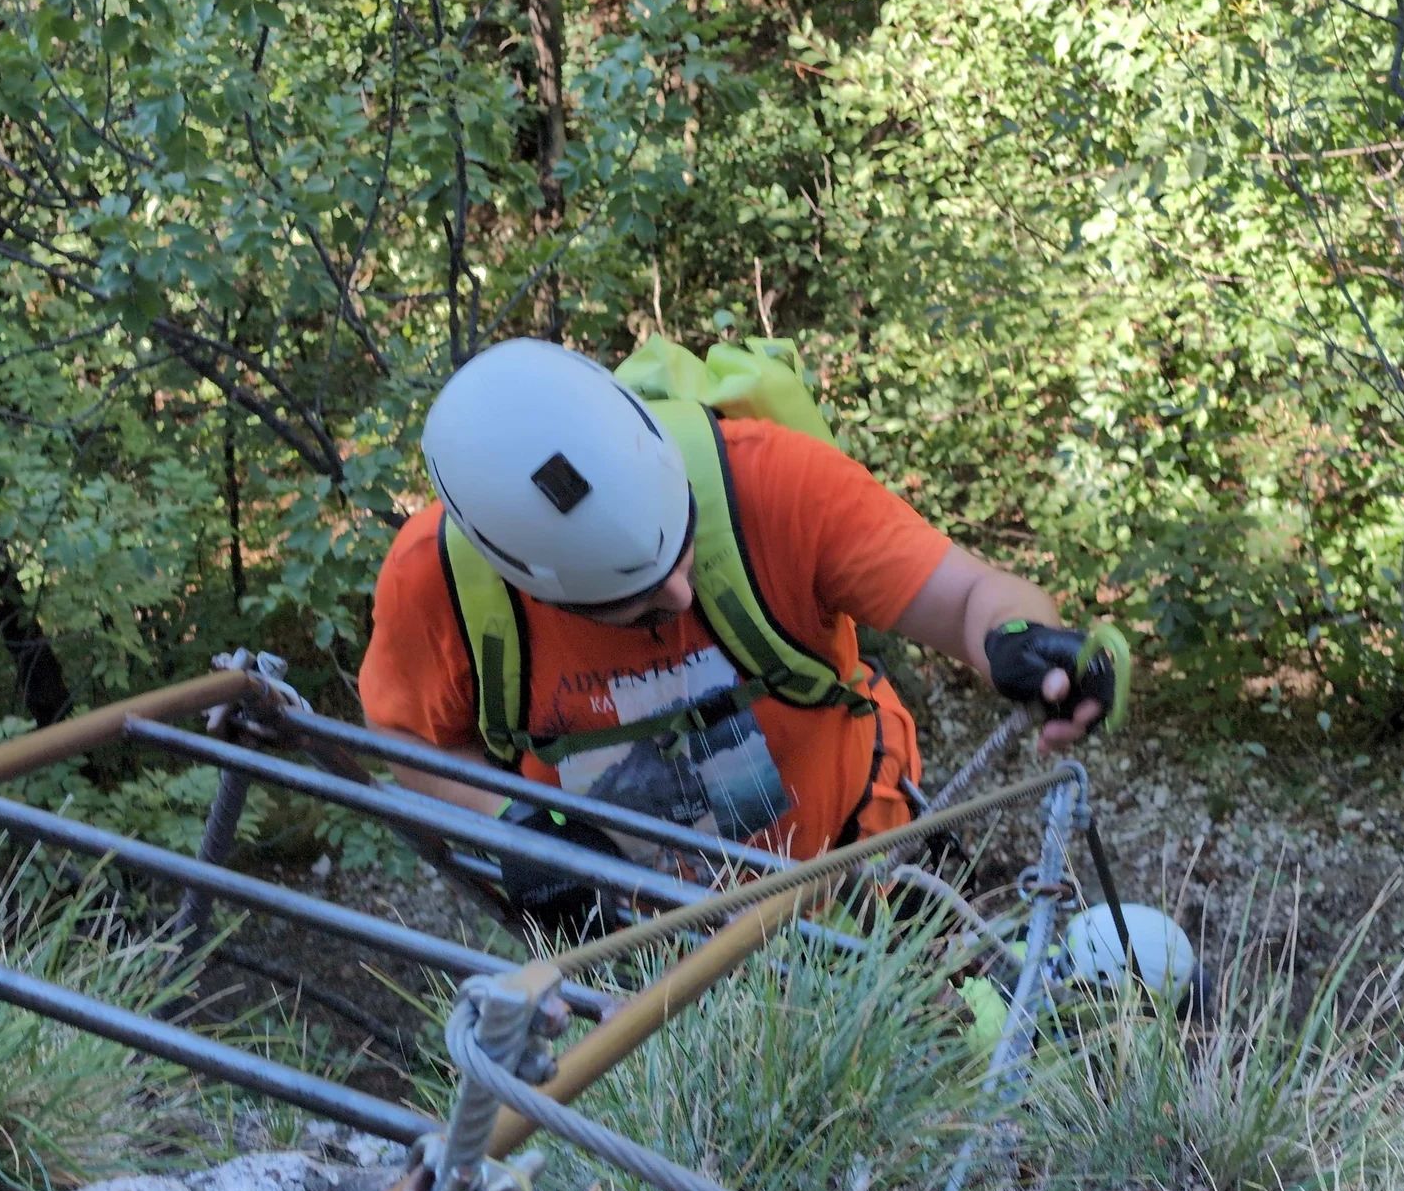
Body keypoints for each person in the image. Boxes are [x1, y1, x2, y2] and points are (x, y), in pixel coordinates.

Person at [358, 339, 1112, 909]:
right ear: (525, 579)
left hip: (863, 873)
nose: (684, 597)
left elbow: (970, 596)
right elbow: (412, 742)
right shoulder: (442, 584)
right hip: (639, 942)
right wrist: (519, 824)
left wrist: (1021, 640)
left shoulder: (776, 483)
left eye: (684, 546)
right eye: (640, 604)